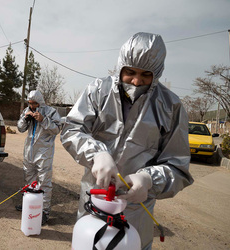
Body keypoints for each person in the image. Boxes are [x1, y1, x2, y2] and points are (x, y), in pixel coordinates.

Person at [60, 32, 194, 249]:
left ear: (157, 73)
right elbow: (71, 129)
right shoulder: (98, 91)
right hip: (94, 200)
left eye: (145, 75)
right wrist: (96, 154)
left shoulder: (171, 107)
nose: (136, 81)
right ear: (120, 66)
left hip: (136, 209)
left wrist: (149, 179)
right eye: (130, 72)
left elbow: (179, 168)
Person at [16, 90, 62, 225]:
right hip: (29, 151)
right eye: (30, 103)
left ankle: (44, 211)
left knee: (44, 182)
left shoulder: (51, 112)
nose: (32, 106)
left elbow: (57, 129)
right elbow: (19, 128)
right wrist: (25, 119)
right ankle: (28, 204)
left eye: (34, 103)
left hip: (44, 152)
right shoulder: (27, 110)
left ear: (40, 102)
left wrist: (43, 120)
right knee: (29, 179)